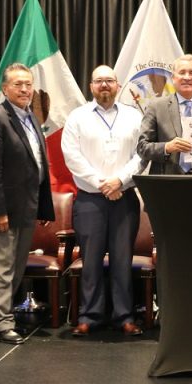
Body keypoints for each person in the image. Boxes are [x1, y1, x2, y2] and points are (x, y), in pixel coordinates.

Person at [61, 65, 145, 336]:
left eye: (109, 80)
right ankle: (89, 316)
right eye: (99, 81)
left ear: (118, 85)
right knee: (91, 259)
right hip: (89, 200)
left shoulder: (134, 116)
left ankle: (125, 317)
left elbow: (142, 155)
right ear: (91, 86)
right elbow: (72, 156)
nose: (104, 85)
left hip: (124, 197)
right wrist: (102, 183)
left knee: (122, 259)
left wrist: (119, 180)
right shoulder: (77, 117)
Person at [0, 63, 55, 345]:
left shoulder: (31, 117)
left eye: (28, 84)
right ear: (5, 88)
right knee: (2, 267)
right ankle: (2, 323)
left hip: (28, 207)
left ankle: (4, 314)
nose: (24, 89)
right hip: (4, 212)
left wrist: (43, 206)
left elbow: (38, 164)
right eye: (18, 84)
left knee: (17, 267)